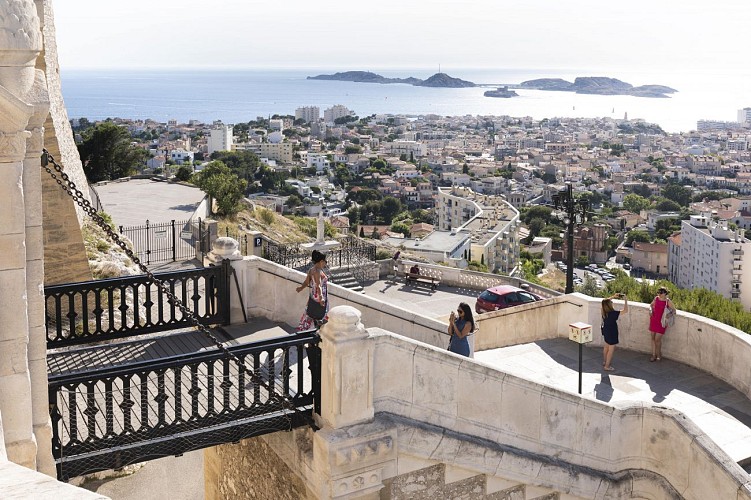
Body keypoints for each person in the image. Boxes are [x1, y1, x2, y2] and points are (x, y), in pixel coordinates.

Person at [295, 250, 328, 330]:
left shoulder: (311, 270)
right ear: (321, 261)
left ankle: (304, 329)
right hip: (319, 296)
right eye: (325, 261)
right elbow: (318, 285)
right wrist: (321, 297)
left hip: (313, 295)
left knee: (310, 313)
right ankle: (317, 326)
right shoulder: (318, 271)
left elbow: (306, 282)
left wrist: (300, 288)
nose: (326, 263)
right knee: (321, 313)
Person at [601, 293, 628, 371]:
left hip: (605, 330)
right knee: (611, 350)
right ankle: (607, 366)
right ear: (609, 305)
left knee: (606, 346)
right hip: (612, 332)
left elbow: (604, 301)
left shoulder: (603, 311)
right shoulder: (613, 313)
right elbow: (625, 310)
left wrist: (613, 296)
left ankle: (605, 361)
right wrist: (625, 300)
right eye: (611, 302)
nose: (612, 303)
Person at [649, 287, 675, 361]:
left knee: (657, 339)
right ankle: (654, 355)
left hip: (662, 322)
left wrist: (669, 315)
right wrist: (650, 310)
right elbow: (651, 305)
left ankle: (659, 354)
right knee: (653, 338)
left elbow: (674, 310)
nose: (659, 294)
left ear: (665, 293)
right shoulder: (656, 298)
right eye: (659, 292)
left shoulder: (668, 301)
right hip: (654, 320)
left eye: (661, 292)